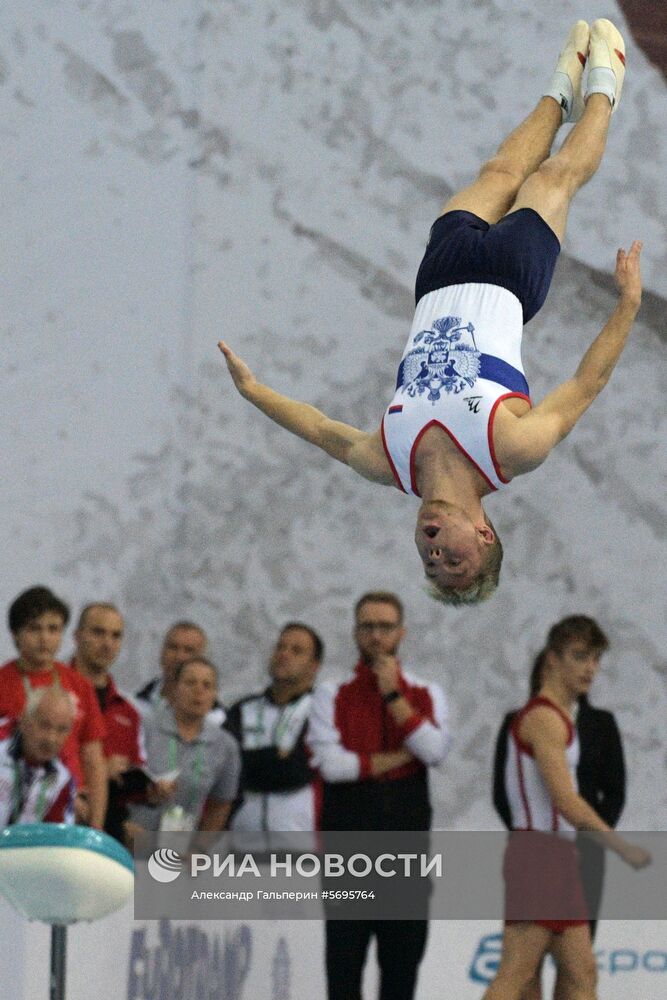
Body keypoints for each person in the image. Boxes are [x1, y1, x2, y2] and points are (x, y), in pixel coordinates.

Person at [218, 19, 642, 606]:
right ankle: (605, 84)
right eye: (455, 559)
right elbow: (585, 384)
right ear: (484, 531)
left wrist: (255, 391)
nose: (435, 550)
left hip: (438, 278)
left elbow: (321, 431)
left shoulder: (387, 459)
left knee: (497, 171)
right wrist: (628, 304)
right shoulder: (512, 451)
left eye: (430, 561)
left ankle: (558, 90)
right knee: (554, 177)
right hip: (511, 281)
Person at [482, 616, 650, 1000]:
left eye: (595, 658)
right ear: (552, 659)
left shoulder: (555, 718)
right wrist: (621, 847)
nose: (590, 668)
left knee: (582, 972)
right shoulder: (543, 719)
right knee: (517, 974)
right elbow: (566, 800)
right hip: (538, 855)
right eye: (579, 656)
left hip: (558, 856)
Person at [308, 591, 450, 1000]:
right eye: (367, 626)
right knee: (343, 972)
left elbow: (437, 752)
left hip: (405, 857)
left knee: (401, 975)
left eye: (385, 627)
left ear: (401, 633)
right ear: (355, 632)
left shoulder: (426, 693)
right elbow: (332, 766)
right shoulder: (332, 694)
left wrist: (393, 697)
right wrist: (402, 755)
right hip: (348, 854)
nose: (375, 636)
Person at [0, 586, 107, 829]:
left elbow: (93, 759)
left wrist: (96, 826)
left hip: (68, 805)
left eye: (53, 629)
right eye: (34, 628)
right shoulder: (2, 682)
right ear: (15, 634)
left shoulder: (80, 685)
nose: (44, 638)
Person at [126, 657, 240, 838]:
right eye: (190, 683)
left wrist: (200, 849)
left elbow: (221, 804)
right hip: (134, 839)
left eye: (207, 685)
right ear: (174, 689)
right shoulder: (144, 728)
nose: (199, 691)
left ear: (214, 694)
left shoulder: (225, 746)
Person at [226, 622, 323, 832]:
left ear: (314, 665)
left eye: (296, 651)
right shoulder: (242, 710)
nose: (284, 654)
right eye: (280, 647)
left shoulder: (322, 711)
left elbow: (297, 772)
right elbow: (228, 770)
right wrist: (278, 757)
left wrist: (251, 759)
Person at [71, 602, 146, 842]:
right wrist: (100, 769)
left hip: (109, 828)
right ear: (77, 636)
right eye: (98, 632)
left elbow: (129, 782)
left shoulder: (128, 712)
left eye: (116, 636)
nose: (107, 643)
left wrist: (150, 792)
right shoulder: (54, 694)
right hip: (61, 817)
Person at [0, 686, 77, 826]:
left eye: (62, 730)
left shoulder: (63, 780)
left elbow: (57, 838)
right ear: (24, 721)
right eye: (44, 726)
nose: (51, 738)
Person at [135, 620, 225, 724]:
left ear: (202, 660)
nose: (179, 657)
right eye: (173, 648)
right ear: (162, 653)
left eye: (189, 650)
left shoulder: (217, 720)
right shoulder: (135, 707)